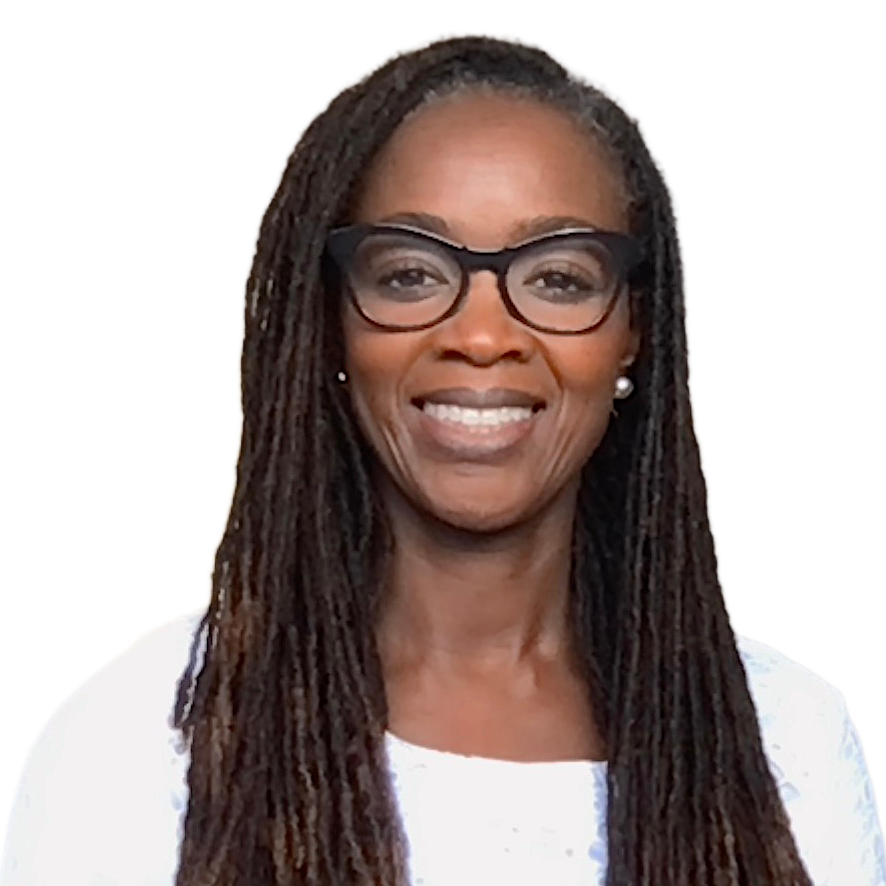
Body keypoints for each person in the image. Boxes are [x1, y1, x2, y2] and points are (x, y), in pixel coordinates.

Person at [1, 34, 884, 886]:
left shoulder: (785, 744)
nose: (483, 336)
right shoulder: (144, 742)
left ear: (632, 333)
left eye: (559, 278)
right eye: (411, 274)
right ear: (332, 323)